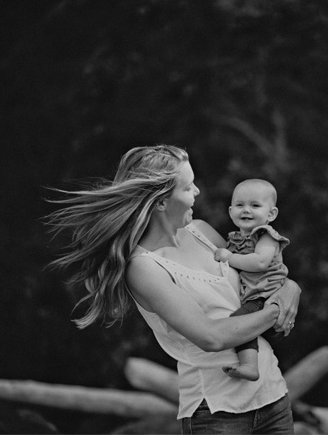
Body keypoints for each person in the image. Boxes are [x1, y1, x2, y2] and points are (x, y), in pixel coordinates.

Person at [46, 145, 300, 434]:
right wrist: (277, 309)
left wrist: (291, 287)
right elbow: (211, 336)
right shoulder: (143, 268)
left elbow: (257, 278)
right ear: (162, 202)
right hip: (217, 413)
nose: (198, 192)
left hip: (272, 396)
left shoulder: (202, 232)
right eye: (188, 186)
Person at [214, 179, 290, 382]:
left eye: (255, 205)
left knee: (239, 322)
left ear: (271, 214)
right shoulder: (236, 238)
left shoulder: (266, 236)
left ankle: (249, 366)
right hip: (253, 294)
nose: (246, 210)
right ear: (230, 211)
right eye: (240, 205)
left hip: (266, 294)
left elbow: (259, 263)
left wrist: (228, 257)